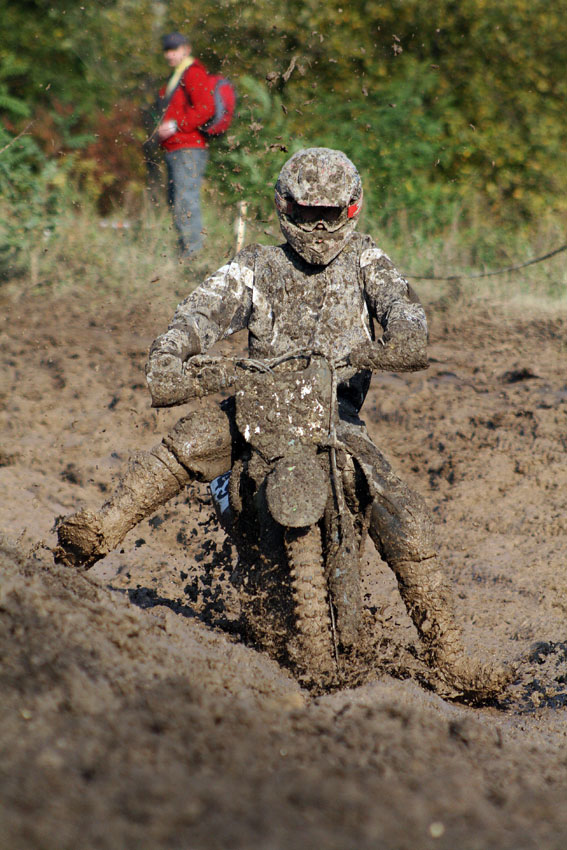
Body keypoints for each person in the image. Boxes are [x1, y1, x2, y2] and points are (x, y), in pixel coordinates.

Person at [56, 148, 508, 700]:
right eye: (306, 211)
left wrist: (393, 341)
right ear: (282, 207)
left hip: (336, 416)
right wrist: (176, 353)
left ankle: (452, 658)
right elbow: (198, 312)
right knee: (190, 440)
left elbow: (406, 315)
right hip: (257, 403)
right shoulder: (256, 266)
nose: (319, 226)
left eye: (332, 213)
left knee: (404, 517)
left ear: (353, 207)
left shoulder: (369, 262)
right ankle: (102, 529)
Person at [156, 31, 215, 259]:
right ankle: (187, 250)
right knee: (176, 200)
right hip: (175, 149)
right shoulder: (177, 76)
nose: (170, 55)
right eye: (167, 50)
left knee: (185, 200)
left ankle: (194, 254)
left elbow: (205, 108)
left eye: (175, 49)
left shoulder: (193, 73)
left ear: (186, 49)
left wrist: (175, 125)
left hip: (189, 148)